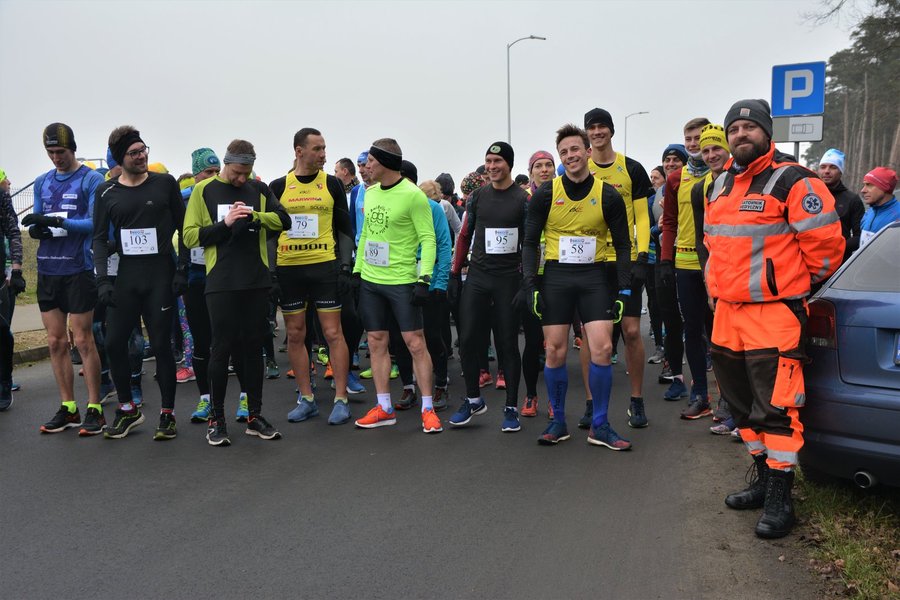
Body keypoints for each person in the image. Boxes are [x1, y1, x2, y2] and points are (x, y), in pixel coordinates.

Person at [707, 99, 844, 538]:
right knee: (741, 406)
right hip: (728, 315)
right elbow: (715, 247)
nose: (740, 134)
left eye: (749, 127)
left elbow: (825, 250)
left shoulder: (793, 181)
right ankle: (763, 479)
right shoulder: (720, 183)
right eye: (734, 129)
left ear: (767, 132)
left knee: (778, 410)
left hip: (775, 315)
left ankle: (781, 497)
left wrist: (788, 288)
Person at [518, 123, 632, 449]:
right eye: (564, 151)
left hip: (594, 277)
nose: (570, 155)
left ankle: (600, 425)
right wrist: (531, 285)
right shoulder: (545, 194)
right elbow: (529, 243)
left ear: (587, 152)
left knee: (603, 349)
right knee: (555, 350)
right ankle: (557, 421)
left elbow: (623, 245)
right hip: (557, 277)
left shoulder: (608, 195)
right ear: (560, 157)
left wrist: (623, 289)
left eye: (575, 149)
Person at [183, 139, 290, 446]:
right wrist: (226, 223)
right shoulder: (203, 190)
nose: (242, 178)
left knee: (254, 348)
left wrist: (255, 217)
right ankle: (217, 420)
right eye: (237, 173)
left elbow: (284, 220)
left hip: (255, 279)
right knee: (221, 348)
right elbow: (189, 236)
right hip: (221, 280)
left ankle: (255, 416)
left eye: (247, 172)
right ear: (226, 163)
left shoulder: (259, 189)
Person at [93, 125, 184, 440]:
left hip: (160, 275)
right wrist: (102, 280)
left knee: (160, 345)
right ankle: (128, 409)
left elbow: (184, 227)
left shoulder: (165, 184)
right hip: (127, 276)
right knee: (114, 342)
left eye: (143, 149)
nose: (141, 156)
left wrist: (182, 269)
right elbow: (99, 239)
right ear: (120, 159)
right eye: (134, 153)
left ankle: (167, 414)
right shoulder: (106, 192)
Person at [351, 138, 441, 434]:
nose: (366, 167)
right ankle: (384, 407)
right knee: (376, 341)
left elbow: (428, 239)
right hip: (371, 280)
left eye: (370, 161)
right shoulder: (370, 192)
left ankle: (428, 408)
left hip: (402, 281)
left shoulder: (413, 195)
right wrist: (357, 271)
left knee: (415, 343)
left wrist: (424, 278)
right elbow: (366, 234)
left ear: (385, 163)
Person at [270, 128, 355, 426]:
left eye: (324, 148)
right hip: (289, 268)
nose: (323, 154)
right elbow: (271, 234)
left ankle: (341, 398)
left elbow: (345, 228)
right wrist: (271, 272)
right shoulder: (278, 186)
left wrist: (345, 267)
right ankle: (306, 398)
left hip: (324, 267)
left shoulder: (331, 184)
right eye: (317, 149)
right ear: (299, 151)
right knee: (295, 334)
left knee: (333, 333)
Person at [25, 123, 105, 435]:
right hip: (48, 269)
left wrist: (59, 221)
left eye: (61, 151)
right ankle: (68, 407)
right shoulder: (42, 181)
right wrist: (38, 229)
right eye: (50, 152)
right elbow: (38, 218)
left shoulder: (91, 179)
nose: (56, 158)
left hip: (78, 269)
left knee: (83, 340)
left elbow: (95, 223)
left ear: (73, 148)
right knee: (55, 341)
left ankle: (95, 407)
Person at [581, 108, 654, 429]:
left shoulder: (632, 168)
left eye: (602, 127)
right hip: (591, 262)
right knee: (590, 335)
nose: (597, 132)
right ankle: (590, 403)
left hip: (625, 260)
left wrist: (642, 256)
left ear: (611, 131)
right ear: (587, 133)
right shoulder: (580, 168)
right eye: (592, 128)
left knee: (632, 331)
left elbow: (642, 216)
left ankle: (636, 400)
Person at [448, 142, 528, 432]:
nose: (492, 166)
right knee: (468, 339)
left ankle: (511, 408)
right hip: (479, 276)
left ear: (509, 164)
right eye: (489, 161)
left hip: (508, 278)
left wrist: (527, 281)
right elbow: (464, 235)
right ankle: (473, 400)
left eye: (498, 161)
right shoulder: (478, 197)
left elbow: (530, 243)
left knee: (507, 342)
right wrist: (454, 273)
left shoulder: (523, 199)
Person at [659, 118, 714, 417]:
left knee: (719, 334)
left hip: (717, 264)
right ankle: (700, 394)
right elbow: (669, 222)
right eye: (688, 139)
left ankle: (729, 401)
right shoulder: (675, 178)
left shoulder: (723, 174)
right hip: (684, 263)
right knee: (692, 330)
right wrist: (666, 260)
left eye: (698, 138)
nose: (694, 144)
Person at [688, 124, 735, 434]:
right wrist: (709, 282)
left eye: (716, 148)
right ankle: (727, 405)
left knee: (743, 348)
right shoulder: (699, 190)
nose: (711, 155)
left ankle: (741, 411)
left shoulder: (744, 181)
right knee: (722, 345)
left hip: (746, 277)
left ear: (728, 149)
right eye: (705, 150)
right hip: (717, 275)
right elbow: (701, 240)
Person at [178, 148, 223, 423]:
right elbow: (179, 236)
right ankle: (205, 398)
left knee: (229, 340)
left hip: (223, 276)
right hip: (195, 277)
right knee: (201, 341)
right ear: (196, 174)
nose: (213, 176)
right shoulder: (183, 201)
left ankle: (241, 399)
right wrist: (180, 270)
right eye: (208, 172)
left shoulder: (224, 195)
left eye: (217, 171)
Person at [519, 150, 554, 418]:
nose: (544, 170)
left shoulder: (563, 194)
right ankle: (531, 395)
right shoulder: (524, 199)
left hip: (556, 275)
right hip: (530, 276)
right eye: (538, 166)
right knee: (532, 341)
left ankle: (555, 400)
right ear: (531, 171)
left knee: (554, 343)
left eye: (548, 165)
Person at [0, 169, 24, 411]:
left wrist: (15, 269)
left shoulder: (2, 197)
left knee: (2, 329)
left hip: (2, 275)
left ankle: (4, 381)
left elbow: (13, 231)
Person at [817, 149, 864, 260]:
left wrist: (837, 248)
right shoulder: (809, 196)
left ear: (841, 171)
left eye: (833, 167)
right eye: (823, 167)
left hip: (840, 263)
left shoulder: (852, 199)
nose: (827, 171)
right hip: (810, 262)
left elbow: (860, 236)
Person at [858, 167, 899, 249]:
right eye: (864, 185)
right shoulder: (869, 212)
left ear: (885, 187)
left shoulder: (897, 215)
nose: (863, 190)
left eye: (869, 185)